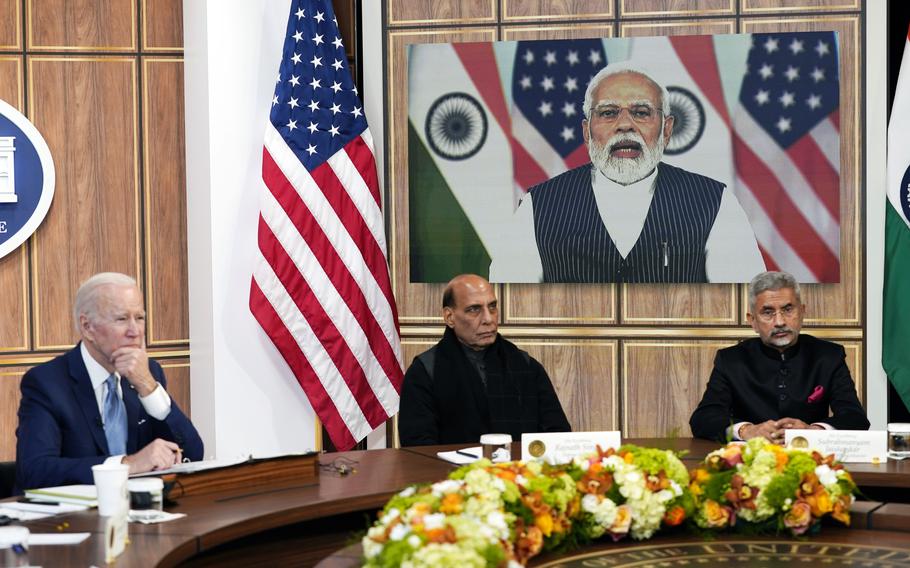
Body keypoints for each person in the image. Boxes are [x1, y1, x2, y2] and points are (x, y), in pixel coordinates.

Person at [489, 62, 764, 283]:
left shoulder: (714, 201)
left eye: (641, 112)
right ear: (586, 131)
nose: (625, 125)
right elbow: (511, 313)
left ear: (667, 130)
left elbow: (741, 312)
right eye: (608, 113)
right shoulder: (539, 205)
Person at [14, 272, 203, 493]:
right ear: (87, 327)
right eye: (121, 319)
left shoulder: (149, 373)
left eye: (140, 318)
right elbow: (35, 471)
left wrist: (148, 388)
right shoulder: (47, 383)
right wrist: (127, 465)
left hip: (139, 513)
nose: (135, 331)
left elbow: (192, 454)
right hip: (69, 520)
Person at [689, 271, 869, 443]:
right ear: (752, 321)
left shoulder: (829, 356)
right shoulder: (731, 360)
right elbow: (703, 418)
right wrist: (747, 430)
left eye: (788, 309)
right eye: (768, 312)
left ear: (802, 312)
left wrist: (813, 431)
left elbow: (855, 418)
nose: (780, 322)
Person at [398, 274, 571, 446]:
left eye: (492, 307)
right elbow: (417, 448)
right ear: (450, 317)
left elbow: (558, 436)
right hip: (450, 472)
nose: (488, 319)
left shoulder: (526, 366)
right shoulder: (425, 372)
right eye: (474, 309)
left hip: (520, 471)